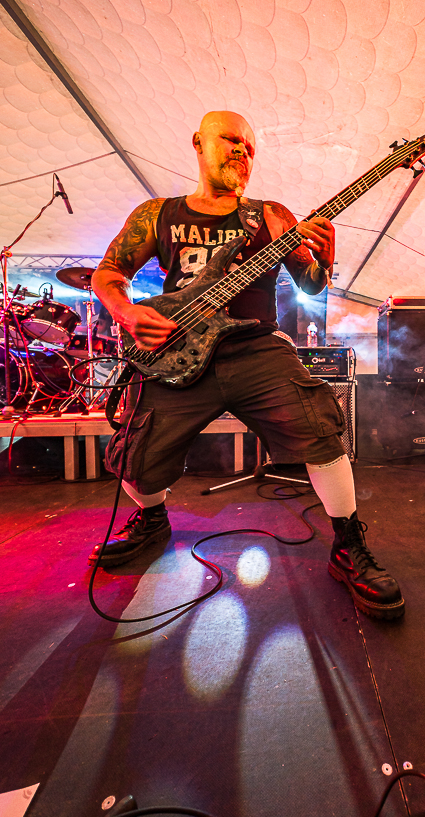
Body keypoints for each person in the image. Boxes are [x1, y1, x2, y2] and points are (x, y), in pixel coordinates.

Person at [89, 111, 404, 620]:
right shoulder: (157, 214)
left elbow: (310, 285)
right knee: (136, 455)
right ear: (199, 142)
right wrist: (126, 313)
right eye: (231, 139)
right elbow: (108, 272)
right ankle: (152, 521)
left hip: (257, 346)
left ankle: (348, 544)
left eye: (250, 147)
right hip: (176, 349)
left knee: (320, 427)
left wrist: (324, 259)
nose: (242, 150)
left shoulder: (271, 215)